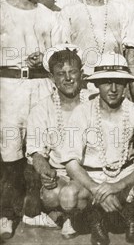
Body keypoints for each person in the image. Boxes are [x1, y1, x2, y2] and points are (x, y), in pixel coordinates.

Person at [58, 52, 134, 245]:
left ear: (126, 84)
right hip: (94, 178)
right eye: (107, 82)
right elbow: (71, 163)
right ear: (97, 84)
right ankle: (95, 219)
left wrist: (119, 185)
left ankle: (132, 216)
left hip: (126, 176)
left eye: (119, 82)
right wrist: (96, 190)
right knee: (67, 197)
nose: (114, 89)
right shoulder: (82, 112)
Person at [0, 0, 56, 239]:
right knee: (10, 151)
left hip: (41, 85)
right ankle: (5, 214)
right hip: (9, 87)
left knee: (38, 148)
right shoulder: (2, 11)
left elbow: (59, 52)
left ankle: (33, 211)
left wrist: (44, 58)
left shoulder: (47, 15)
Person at [24, 46, 86, 238]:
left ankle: (74, 217)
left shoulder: (93, 102)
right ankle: (66, 215)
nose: (67, 78)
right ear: (52, 78)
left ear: (81, 74)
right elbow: (36, 152)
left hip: (91, 173)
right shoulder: (41, 109)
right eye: (60, 74)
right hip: (61, 174)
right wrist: (45, 171)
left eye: (72, 72)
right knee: (52, 194)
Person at [58, 0, 123, 77]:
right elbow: (63, 52)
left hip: (113, 78)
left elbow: (126, 51)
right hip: (83, 80)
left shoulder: (119, 9)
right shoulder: (69, 11)